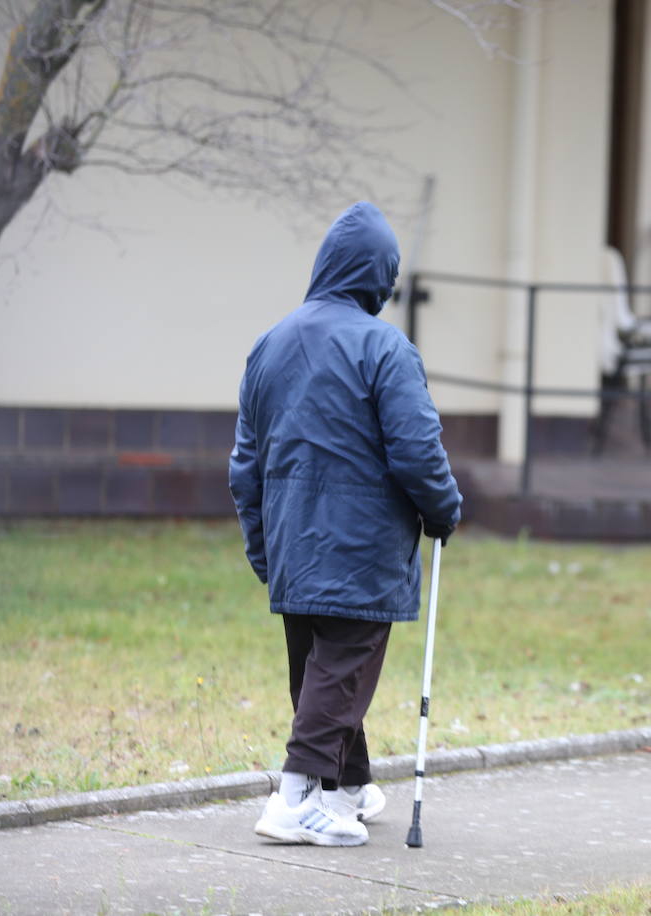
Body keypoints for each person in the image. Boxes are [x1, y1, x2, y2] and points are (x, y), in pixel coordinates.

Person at [229, 201, 462, 847]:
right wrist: (444, 510)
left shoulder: (269, 344)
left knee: (320, 671)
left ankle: (349, 787)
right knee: (340, 665)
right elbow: (418, 449)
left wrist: (264, 548)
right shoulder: (386, 347)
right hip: (362, 546)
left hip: (291, 541)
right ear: (379, 278)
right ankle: (296, 796)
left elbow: (244, 466)